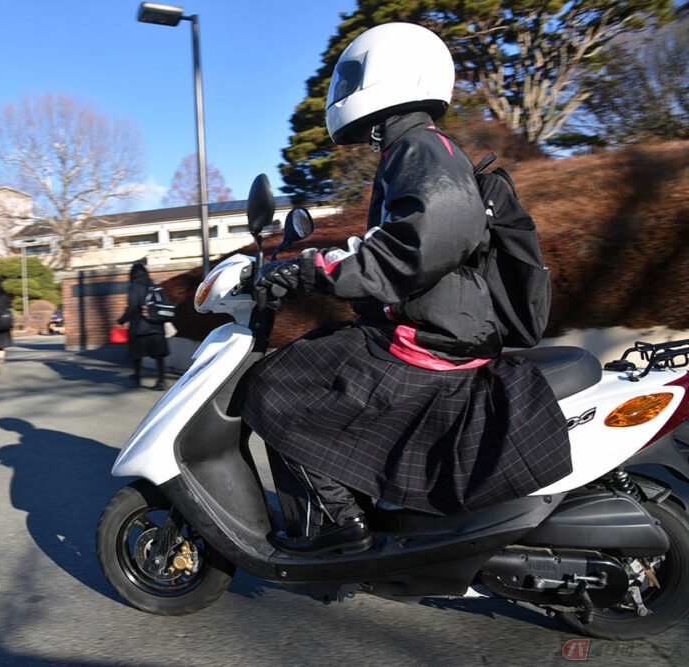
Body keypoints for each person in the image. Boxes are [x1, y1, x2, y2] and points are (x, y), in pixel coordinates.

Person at [240, 23, 571, 553]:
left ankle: (337, 524)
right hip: (438, 327)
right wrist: (321, 265)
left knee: (274, 385)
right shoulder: (414, 147)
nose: (343, 91)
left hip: (432, 338)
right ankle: (361, 504)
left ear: (387, 73)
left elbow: (429, 235)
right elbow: (398, 242)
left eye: (352, 77)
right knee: (321, 359)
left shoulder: (417, 147)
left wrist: (319, 272)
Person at [117, 262, 169, 391]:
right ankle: (161, 381)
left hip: (140, 328)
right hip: (156, 327)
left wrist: (122, 320)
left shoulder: (134, 286)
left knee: (137, 355)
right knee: (159, 356)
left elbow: (133, 306)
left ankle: (137, 378)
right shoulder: (154, 286)